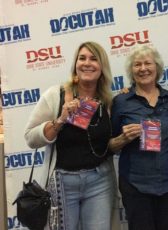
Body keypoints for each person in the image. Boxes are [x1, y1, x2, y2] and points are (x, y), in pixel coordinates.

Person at [24, 41, 119, 230]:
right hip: (63, 182)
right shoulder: (56, 95)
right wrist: (60, 120)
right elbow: (30, 138)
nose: (87, 63)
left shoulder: (108, 100)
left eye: (93, 59)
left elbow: (109, 142)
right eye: (82, 58)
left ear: (102, 67)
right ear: (75, 64)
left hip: (100, 181)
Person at [109, 45, 168, 230]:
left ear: (157, 67)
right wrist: (123, 139)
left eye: (148, 63)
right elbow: (108, 146)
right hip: (136, 186)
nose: (143, 68)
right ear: (131, 71)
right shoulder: (120, 102)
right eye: (137, 64)